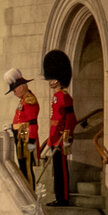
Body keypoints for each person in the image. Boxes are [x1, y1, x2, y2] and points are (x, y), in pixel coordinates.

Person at [40, 47, 76, 206]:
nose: (50, 81)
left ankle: (64, 198)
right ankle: (58, 196)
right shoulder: (56, 97)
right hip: (55, 139)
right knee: (56, 171)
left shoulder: (65, 97)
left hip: (61, 139)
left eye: (52, 78)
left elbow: (70, 118)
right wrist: (50, 140)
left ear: (58, 79)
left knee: (61, 170)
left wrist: (66, 137)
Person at [4, 67, 41, 190]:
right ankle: (26, 192)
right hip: (20, 137)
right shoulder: (23, 100)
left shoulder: (29, 100)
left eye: (14, 90)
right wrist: (12, 126)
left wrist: (31, 140)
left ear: (20, 87)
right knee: (22, 167)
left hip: (26, 138)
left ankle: (30, 193)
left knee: (27, 168)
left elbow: (33, 122)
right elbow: (21, 120)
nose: (14, 93)